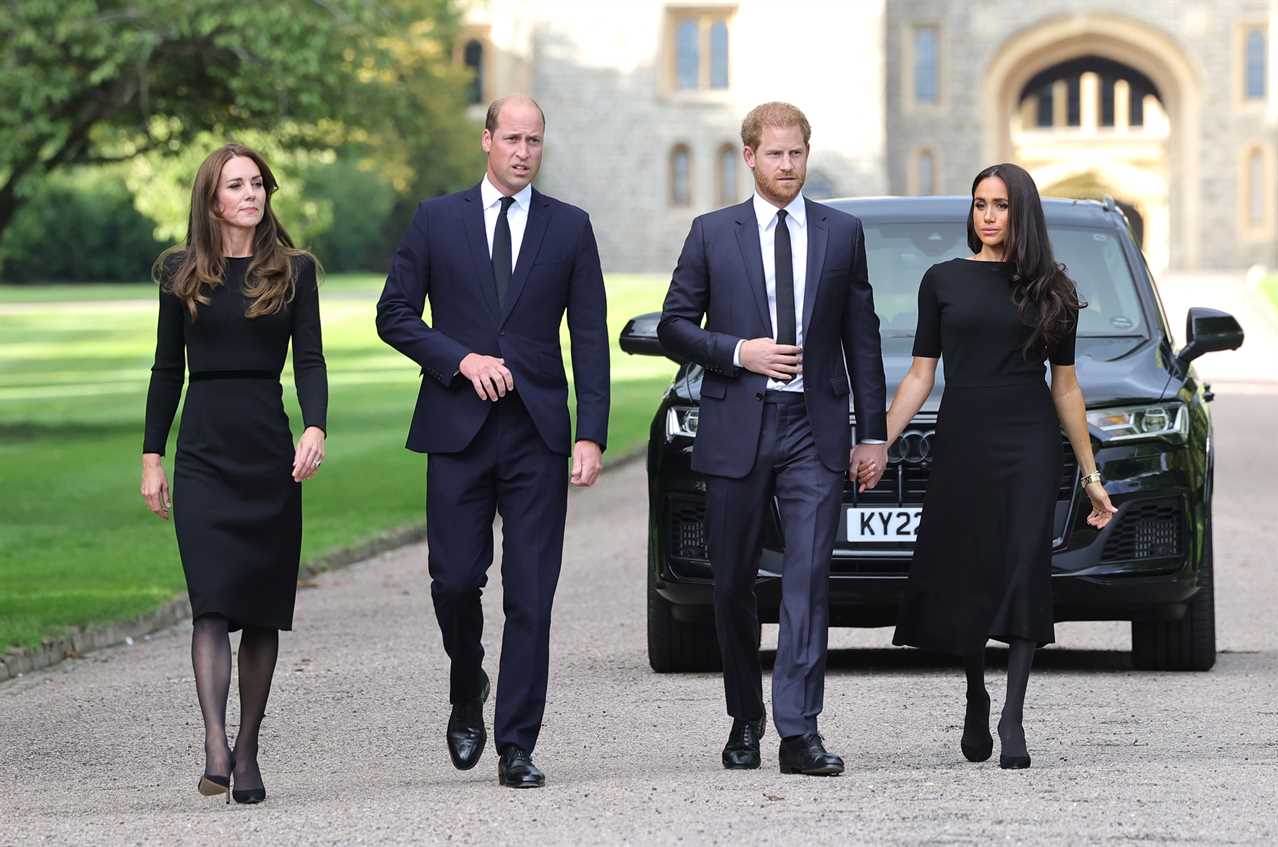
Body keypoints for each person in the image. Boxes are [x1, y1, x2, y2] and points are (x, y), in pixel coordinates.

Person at [376, 95, 610, 789]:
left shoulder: (570, 227)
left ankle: (516, 743)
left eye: (534, 140)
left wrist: (591, 433)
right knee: (453, 580)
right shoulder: (436, 219)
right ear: (486, 140)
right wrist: (458, 359)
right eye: (512, 138)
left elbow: (591, 339)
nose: (523, 151)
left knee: (531, 594)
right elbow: (393, 314)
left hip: (536, 432)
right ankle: (465, 679)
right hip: (457, 427)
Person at [658, 102, 888, 776]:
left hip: (813, 430)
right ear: (750, 157)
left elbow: (862, 339)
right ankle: (744, 716)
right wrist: (738, 351)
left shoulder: (842, 233)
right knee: (731, 583)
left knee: (808, 578)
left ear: (807, 155)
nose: (788, 166)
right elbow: (675, 325)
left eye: (798, 154)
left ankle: (798, 730)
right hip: (737, 426)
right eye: (776, 154)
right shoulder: (711, 233)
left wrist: (871, 433)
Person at [882, 163, 1117, 770]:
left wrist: (1091, 478)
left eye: (1001, 205)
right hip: (964, 438)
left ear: (1023, 214)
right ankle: (975, 694)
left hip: (1029, 442)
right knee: (969, 569)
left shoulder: (1053, 292)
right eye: (980, 204)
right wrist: (878, 441)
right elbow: (920, 373)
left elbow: (1065, 389)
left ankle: (1013, 713)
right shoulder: (942, 281)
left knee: (1022, 566)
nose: (987, 216)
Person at [140, 143, 328, 803]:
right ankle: (215, 746)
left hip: (266, 452)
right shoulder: (179, 272)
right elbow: (167, 369)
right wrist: (152, 456)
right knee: (212, 601)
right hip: (203, 453)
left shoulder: (295, 271)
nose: (250, 194)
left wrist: (314, 424)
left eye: (257, 184)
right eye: (236, 185)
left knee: (262, 611)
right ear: (212, 199)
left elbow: (311, 358)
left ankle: (246, 751)